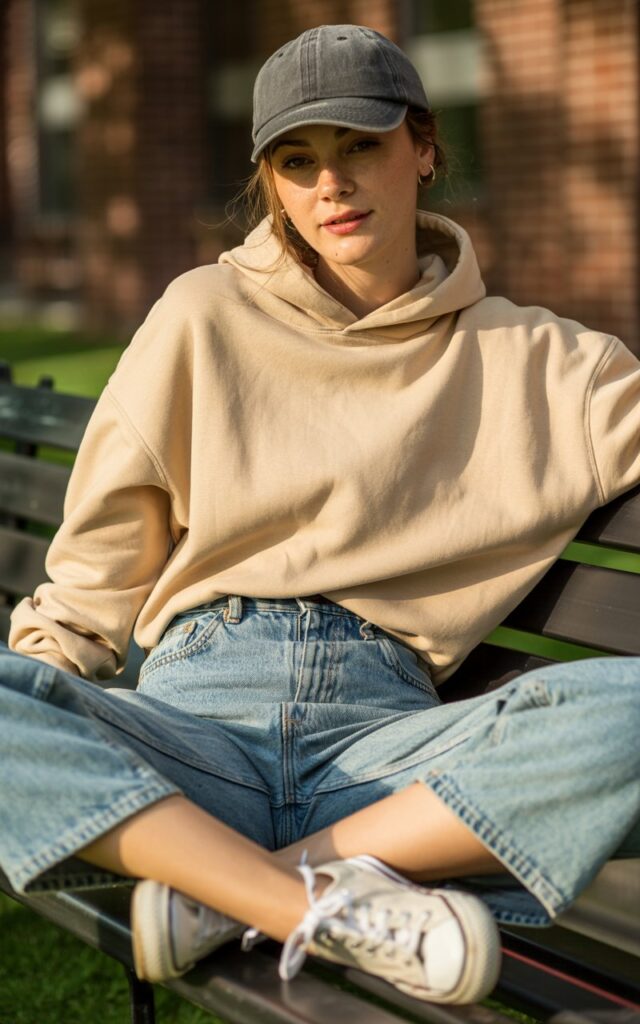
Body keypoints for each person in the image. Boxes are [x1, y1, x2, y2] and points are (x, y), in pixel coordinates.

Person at [1, 24, 639, 1007]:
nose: (330, 184)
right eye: (297, 161)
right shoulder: (198, 315)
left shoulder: (551, 366)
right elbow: (91, 581)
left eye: (359, 146)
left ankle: (226, 893)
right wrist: (38, 743)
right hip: (189, 733)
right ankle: (312, 901)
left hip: (384, 759)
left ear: (422, 149)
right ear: (271, 184)